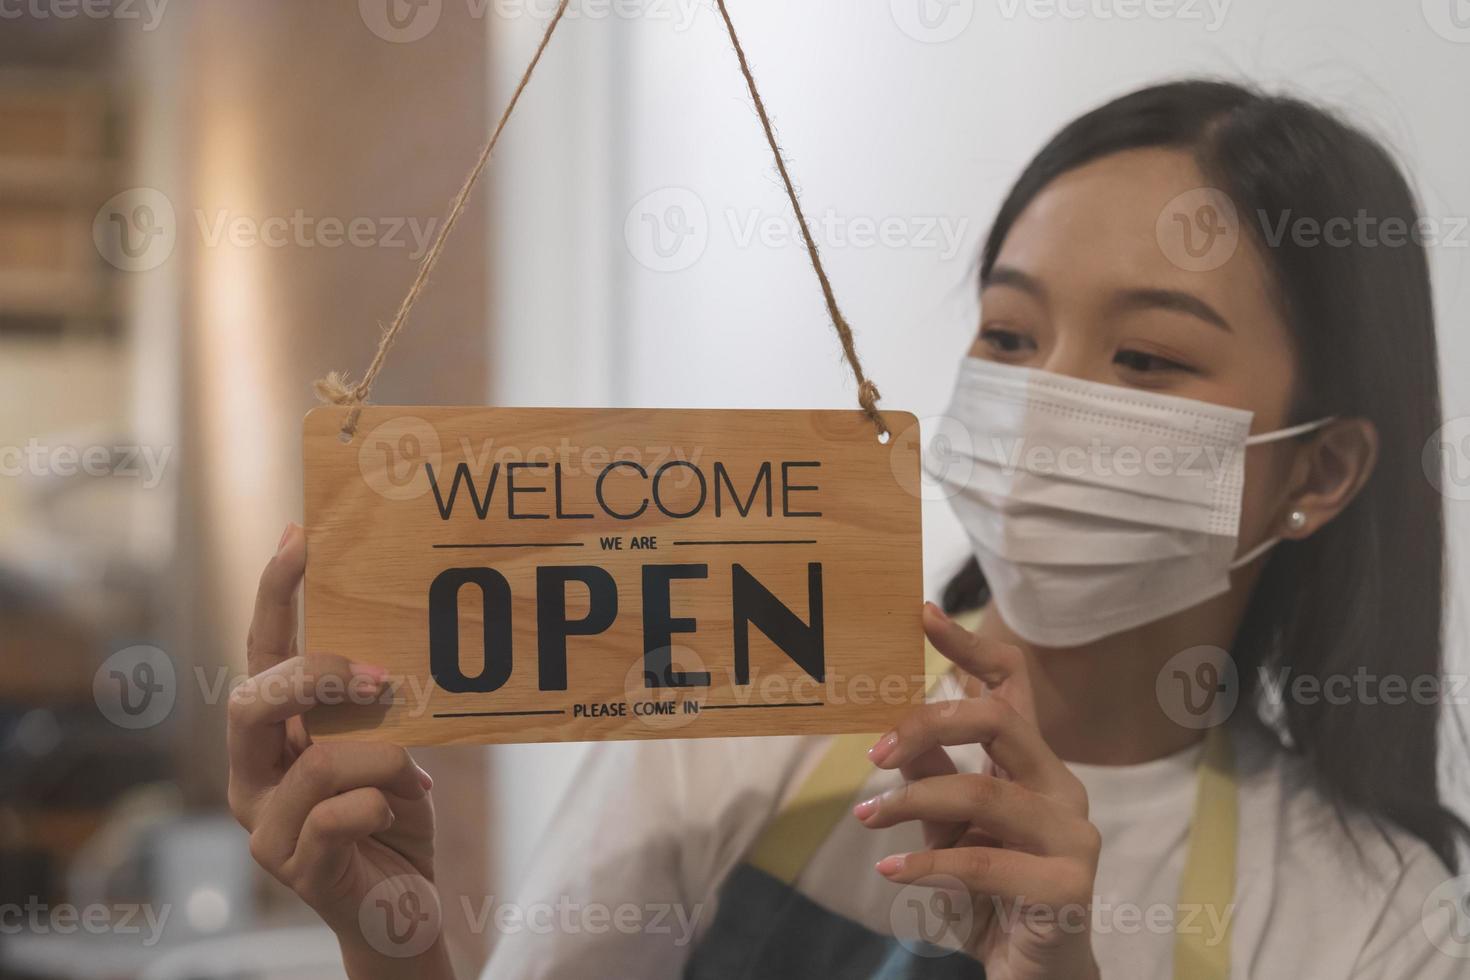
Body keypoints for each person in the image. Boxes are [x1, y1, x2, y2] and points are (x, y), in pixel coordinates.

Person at [227, 79, 1468, 979]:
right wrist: (389, 940)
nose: (1040, 408)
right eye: (1011, 335)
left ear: (1319, 469)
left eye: (1145, 357)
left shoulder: (1382, 920)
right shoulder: (738, 690)